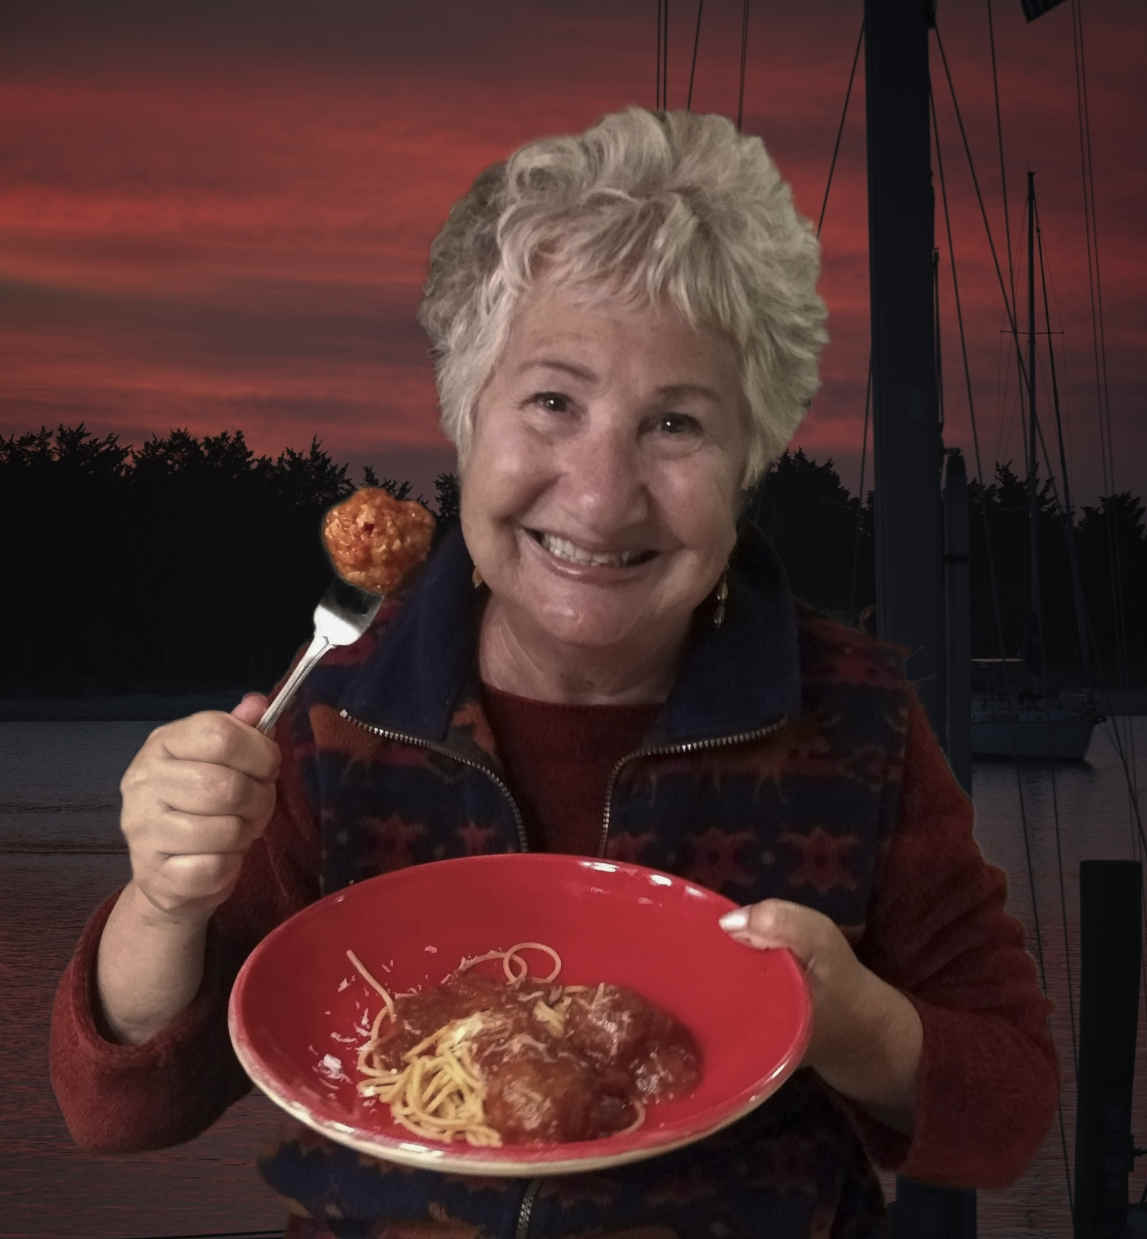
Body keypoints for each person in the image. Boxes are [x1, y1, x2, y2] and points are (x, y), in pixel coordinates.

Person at [51, 106, 1058, 1238]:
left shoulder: (859, 720)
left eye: (675, 424)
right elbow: (120, 1109)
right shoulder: (333, 714)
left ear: (748, 465)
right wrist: (164, 901)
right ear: (466, 417)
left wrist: (853, 1021)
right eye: (552, 402)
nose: (598, 495)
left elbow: (1012, 1112)